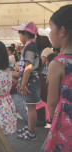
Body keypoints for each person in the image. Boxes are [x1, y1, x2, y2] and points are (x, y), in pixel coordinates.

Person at [45, 4, 72, 152]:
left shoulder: (57, 63)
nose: (50, 33)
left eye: (51, 28)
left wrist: (53, 121)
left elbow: (52, 102)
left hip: (65, 126)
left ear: (62, 31)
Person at [12, 21, 41, 140]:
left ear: (25, 34)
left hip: (31, 81)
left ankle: (32, 133)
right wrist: (21, 82)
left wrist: (23, 84)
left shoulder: (30, 47)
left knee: (31, 107)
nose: (19, 36)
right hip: (30, 80)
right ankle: (30, 127)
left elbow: (28, 67)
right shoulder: (30, 46)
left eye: (19, 33)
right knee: (29, 107)